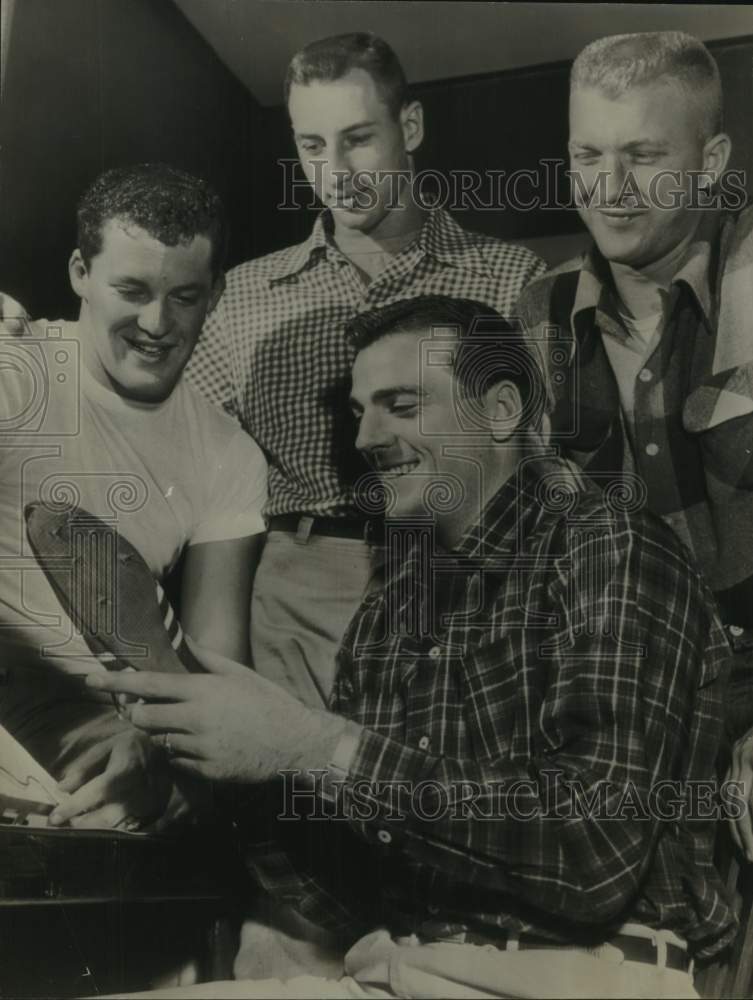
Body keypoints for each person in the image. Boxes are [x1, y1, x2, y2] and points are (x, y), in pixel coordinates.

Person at [92, 296, 735, 999]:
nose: (366, 436)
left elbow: (594, 856)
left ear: (500, 410)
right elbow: (342, 897)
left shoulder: (604, 545)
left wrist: (312, 745)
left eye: (400, 404)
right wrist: (226, 769)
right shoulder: (397, 593)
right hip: (405, 970)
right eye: (359, 410)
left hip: (574, 975)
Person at [183, 31, 546, 709]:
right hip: (296, 595)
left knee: (439, 806)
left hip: (459, 584)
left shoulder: (509, 278)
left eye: (357, 138)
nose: (337, 170)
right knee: (296, 807)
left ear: (408, 126)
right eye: (312, 146)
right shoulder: (242, 299)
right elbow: (189, 477)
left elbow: (543, 466)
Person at [515, 29, 753, 860]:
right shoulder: (536, 312)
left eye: (643, 156)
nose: (608, 190)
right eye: (587, 156)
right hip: (626, 716)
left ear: (711, 158)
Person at [0, 163, 267, 831]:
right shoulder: (14, 368)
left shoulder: (228, 453)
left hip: (89, 726)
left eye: (184, 296)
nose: (157, 322)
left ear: (217, 294)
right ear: (78, 274)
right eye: (132, 289)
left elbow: (214, 670)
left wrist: (158, 755)